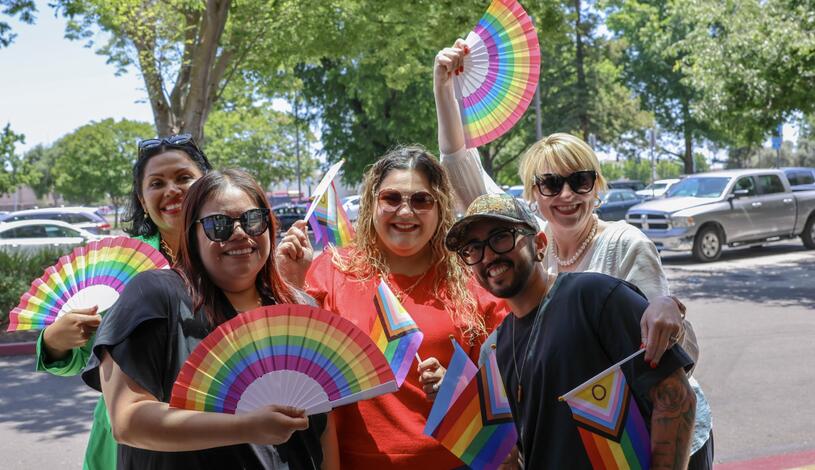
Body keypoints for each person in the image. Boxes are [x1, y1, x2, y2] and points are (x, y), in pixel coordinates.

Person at [434, 41, 714, 468]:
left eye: (579, 181)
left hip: (648, 439)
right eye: (550, 184)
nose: (566, 194)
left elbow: (660, 361)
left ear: (596, 186)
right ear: (533, 196)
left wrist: (665, 308)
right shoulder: (520, 247)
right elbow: (459, 168)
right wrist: (444, 90)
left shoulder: (623, 244)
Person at [80, 169, 339, 469]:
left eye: (253, 220)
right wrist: (247, 427)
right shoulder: (154, 295)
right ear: (192, 234)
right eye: (220, 224)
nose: (240, 233)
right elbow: (128, 421)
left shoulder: (299, 308)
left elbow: (323, 426)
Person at [276, 146, 507, 468]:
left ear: (440, 207)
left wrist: (461, 388)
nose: (405, 212)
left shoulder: (472, 279)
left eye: (421, 200)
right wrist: (290, 282)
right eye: (392, 198)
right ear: (372, 204)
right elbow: (292, 362)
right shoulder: (332, 270)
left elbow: (507, 387)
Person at [446, 193, 697, 468]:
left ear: (540, 244)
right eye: (473, 248)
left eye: (501, 237)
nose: (489, 255)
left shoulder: (596, 296)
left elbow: (675, 397)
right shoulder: (493, 351)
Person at [35, 134, 212, 470]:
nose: (172, 190)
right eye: (156, 183)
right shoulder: (114, 263)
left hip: (218, 426)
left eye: (184, 178)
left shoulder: (233, 248)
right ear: (143, 201)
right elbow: (85, 358)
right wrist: (56, 342)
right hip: (126, 441)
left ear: (208, 185)